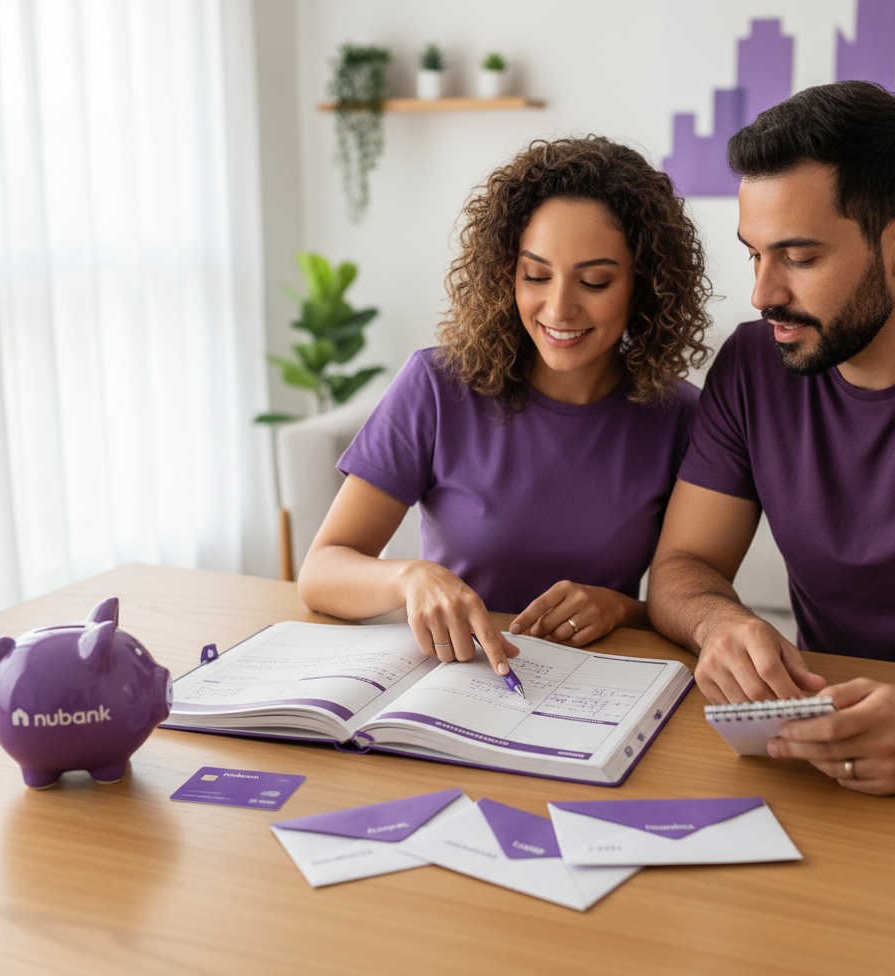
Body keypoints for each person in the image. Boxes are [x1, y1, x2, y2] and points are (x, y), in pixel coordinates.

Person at [648, 81, 895, 795]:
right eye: (755, 254)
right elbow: (681, 567)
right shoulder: (753, 366)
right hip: (821, 751)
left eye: (799, 258)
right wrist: (720, 625)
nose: (762, 294)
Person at [299, 136, 711, 679]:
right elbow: (321, 571)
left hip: (597, 688)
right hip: (455, 679)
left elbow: (682, 596)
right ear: (505, 274)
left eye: (595, 281)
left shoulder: (680, 416)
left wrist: (620, 608)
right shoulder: (437, 387)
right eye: (535, 275)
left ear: (645, 285)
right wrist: (410, 578)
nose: (558, 308)